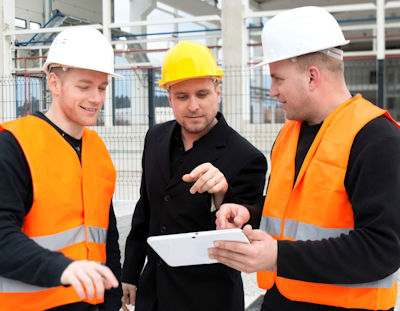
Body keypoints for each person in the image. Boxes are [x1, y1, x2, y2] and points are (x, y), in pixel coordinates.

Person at [209, 6, 400, 311]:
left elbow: (383, 248)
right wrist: (248, 213)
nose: (271, 91)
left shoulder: (377, 138)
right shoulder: (289, 133)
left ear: (312, 77)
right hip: (280, 300)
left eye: (278, 79)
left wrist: (279, 256)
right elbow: (290, 215)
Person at [121, 40, 267, 311]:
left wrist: (223, 195)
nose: (193, 106)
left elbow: (248, 228)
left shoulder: (246, 157)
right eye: (182, 97)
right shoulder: (155, 138)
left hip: (208, 297)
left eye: (202, 94)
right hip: (154, 292)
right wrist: (130, 273)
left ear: (218, 92)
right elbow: (146, 209)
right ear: (169, 98)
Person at [0, 26, 123, 311]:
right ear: (54, 83)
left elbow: (107, 237)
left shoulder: (97, 150)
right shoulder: (14, 145)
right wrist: (63, 269)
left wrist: (112, 300)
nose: (96, 98)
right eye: (84, 86)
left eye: (102, 87)